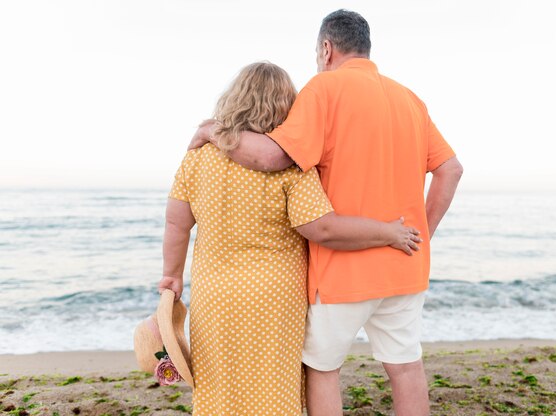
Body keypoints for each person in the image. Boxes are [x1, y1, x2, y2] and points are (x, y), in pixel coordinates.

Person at [189, 10, 463, 416]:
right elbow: (450, 169)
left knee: (322, 370)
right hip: (404, 264)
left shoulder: (324, 88)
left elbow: (273, 156)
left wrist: (212, 131)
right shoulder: (410, 99)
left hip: (343, 271)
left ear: (326, 48)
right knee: (405, 369)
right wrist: (422, 232)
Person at [158, 62, 421, 416]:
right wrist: (387, 232)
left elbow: (177, 224)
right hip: (276, 297)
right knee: (274, 386)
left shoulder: (198, 158)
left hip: (214, 295)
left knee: (218, 387)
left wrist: (172, 275)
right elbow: (321, 228)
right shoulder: (292, 166)